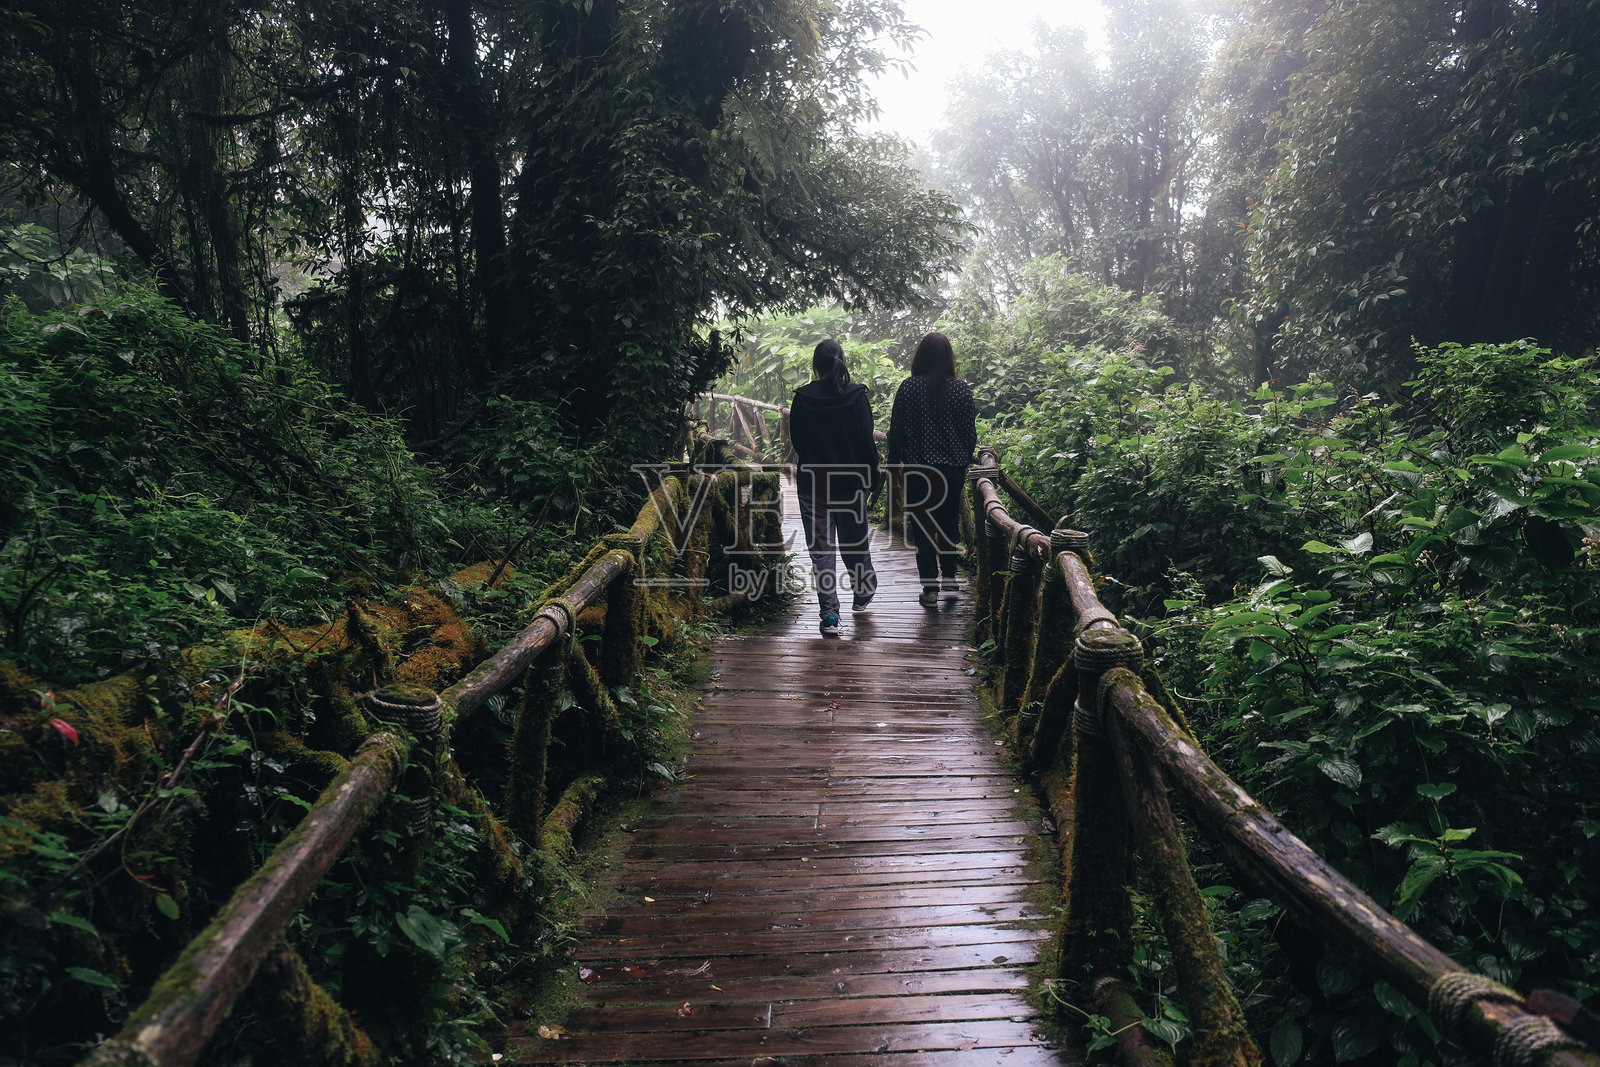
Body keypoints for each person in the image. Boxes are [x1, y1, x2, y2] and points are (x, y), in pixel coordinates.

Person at [789, 339, 881, 637]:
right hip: (851, 483)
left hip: (813, 484)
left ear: (816, 366)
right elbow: (867, 442)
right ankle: (863, 591)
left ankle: (829, 616)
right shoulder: (856, 396)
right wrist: (873, 477)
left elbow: (798, 443)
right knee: (855, 544)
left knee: (821, 552)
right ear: (842, 361)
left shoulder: (803, 397)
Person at [886, 331, 978, 607]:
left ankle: (930, 589)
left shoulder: (908, 388)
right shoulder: (961, 389)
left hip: (918, 469)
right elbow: (969, 433)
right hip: (951, 470)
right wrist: (962, 457)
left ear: (921, 357)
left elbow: (896, 432)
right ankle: (949, 578)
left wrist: (894, 465)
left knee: (924, 527)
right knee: (948, 522)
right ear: (949, 358)